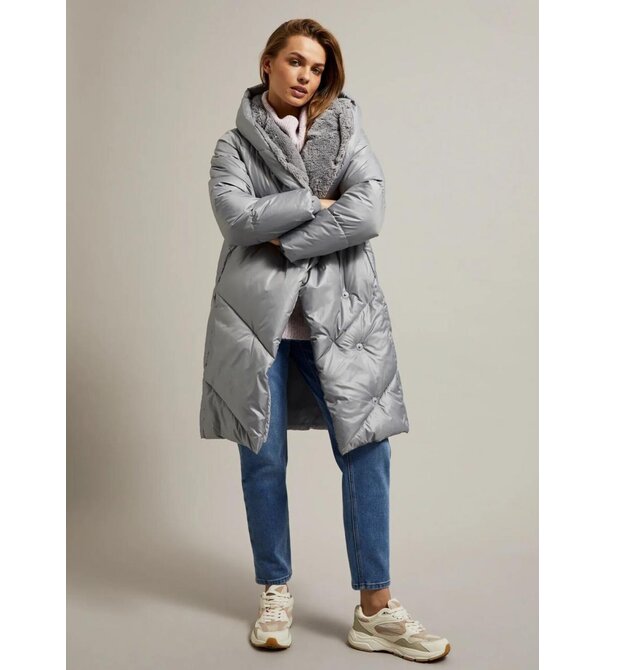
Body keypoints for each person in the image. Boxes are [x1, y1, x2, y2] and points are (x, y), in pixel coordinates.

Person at [200, 18, 451, 662]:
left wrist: (286, 238)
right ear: (267, 63)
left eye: (316, 67)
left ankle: (375, 609)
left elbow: (368, 210)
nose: (305, 76)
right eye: (295, 61)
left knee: (367, 450)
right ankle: (274, 592)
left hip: (337, 321)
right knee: (263, 459)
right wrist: (316, 202)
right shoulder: (233, 146)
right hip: (258, 323)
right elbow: (236, 218)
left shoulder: (345, 131)